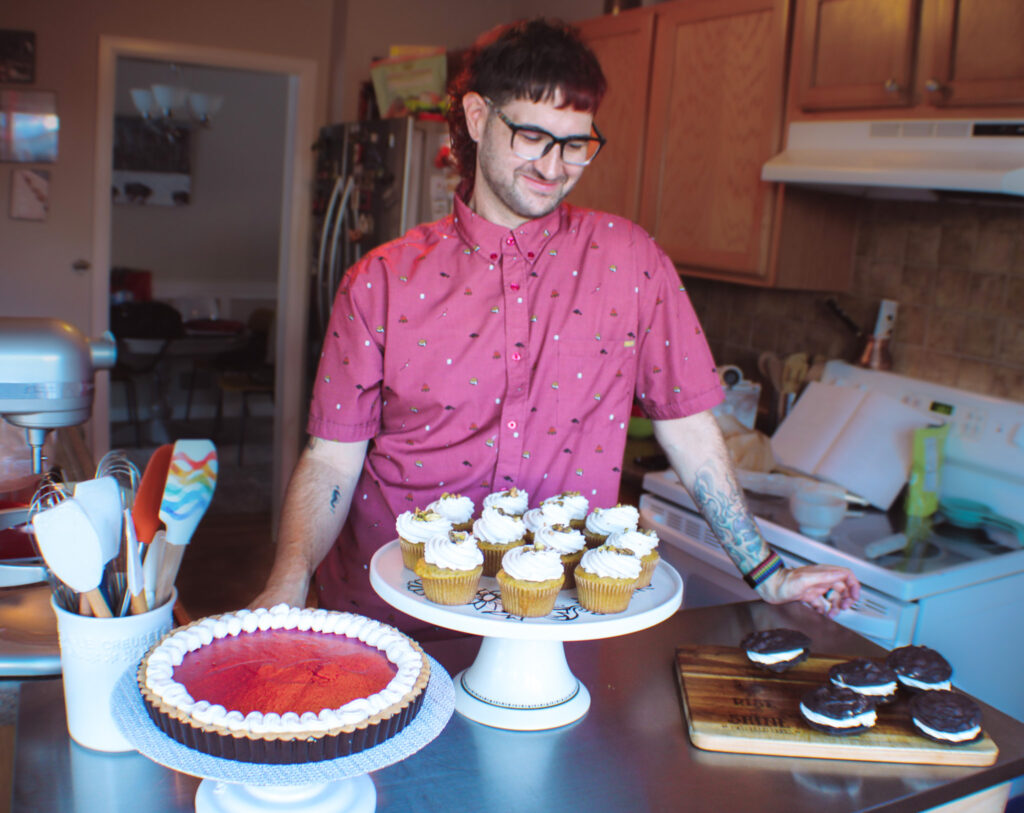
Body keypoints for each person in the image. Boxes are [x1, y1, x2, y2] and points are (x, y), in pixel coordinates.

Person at [252, 19, 860, 632]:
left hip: (550, 624)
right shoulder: (380, 281)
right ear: (476, 117)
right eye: (533, 136)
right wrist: (287, 581)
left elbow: (690, 430)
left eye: (576, 143)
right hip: (388, 613)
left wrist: (769, 571)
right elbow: (332, 460)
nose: (554, 165)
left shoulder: (631, 262)